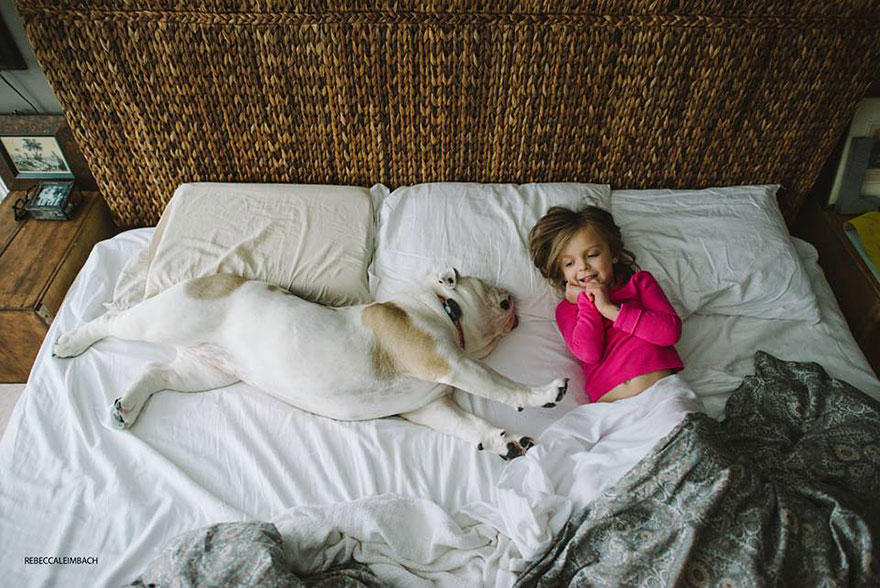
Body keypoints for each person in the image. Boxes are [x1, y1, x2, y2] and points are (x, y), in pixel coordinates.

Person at [528, 205, 684, 404]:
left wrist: (609, 309)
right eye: (569, 263)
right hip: (610, 408)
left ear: (613, 254)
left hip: (662, 396)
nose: (583, 266)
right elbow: (589, 354)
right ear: (562, 274)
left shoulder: (639, 283)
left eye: (592, 254)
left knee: (684, 421)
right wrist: (587, 303)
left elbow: (670, 333)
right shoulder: (567, 310)